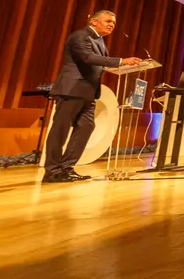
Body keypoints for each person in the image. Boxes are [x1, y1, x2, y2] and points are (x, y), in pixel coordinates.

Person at [44, 10, 141, 183]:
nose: (111, 25)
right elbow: (87, 57)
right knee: (60, 130)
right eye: (108, 21)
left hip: (88, 92)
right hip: (72, 89)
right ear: (94, 22)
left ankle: (66, 168)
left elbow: (98, 63)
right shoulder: (80, 36)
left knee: (86, 127)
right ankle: (52, 171)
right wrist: (120, 61)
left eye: (113, 23)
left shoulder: (100, 41)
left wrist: (120, 68)